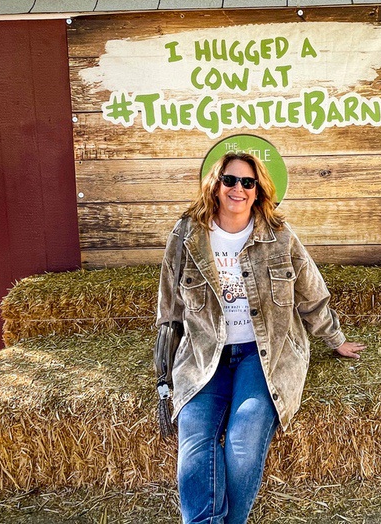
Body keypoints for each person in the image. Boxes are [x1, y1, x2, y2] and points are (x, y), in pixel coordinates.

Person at [156, 151, 365, 524]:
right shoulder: (186, 235)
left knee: (242, 442)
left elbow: (311, 294)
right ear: (216, 186)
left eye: (247, 182)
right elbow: (169, 308)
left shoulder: (279, 237)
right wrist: (164, 370)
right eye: (230, 180)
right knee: (195, 441)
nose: (238, 188)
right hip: (206, 355)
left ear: (258, 192)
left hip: (264, 353)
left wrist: (335, 339)